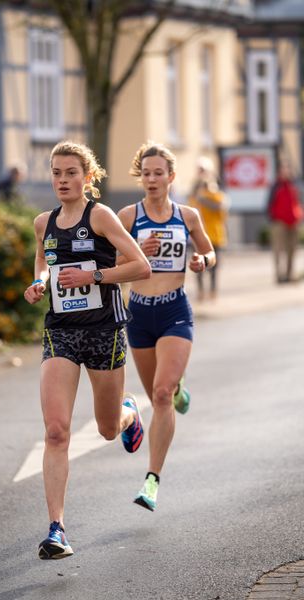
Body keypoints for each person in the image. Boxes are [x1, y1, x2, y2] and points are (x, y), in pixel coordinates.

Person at [24, 140, 151, 560]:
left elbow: (140, 266)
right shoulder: (44, 222)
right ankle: (57, 529)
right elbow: (43, 263)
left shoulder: (101, 216)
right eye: (56, 173)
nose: (62, 180)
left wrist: (93, 275)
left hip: (104, 330)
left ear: (87, 177)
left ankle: (128, 411)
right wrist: (40, 282)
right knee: (56, 431)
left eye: (71, 173)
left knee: (107, 429)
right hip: (60, 330)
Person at [117, 141, 216, 512]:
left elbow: (208, 249)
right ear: (140, 177)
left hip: (174, 309)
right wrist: (137, 255)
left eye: (159, 172)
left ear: (171, 177)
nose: (152, 179)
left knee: (159, 394)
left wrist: (203, 261)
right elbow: (110, 258)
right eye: (146, 173)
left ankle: (152, 480)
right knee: (157, 394)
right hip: (139, 315)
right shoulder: (128, 217)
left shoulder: (187, 216)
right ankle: (173, 392)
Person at [188, 156, 228, 301]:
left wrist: (204, 199)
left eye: (203, 170)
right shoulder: (194, 192)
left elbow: (221, 208)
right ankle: (201, 292)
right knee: (197, 265)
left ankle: (213, 291)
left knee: (213, 266)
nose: (201, 174)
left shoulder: (215, 193)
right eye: (199, 170)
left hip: (214, 234)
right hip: (197, 236)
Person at [266, 161, 303, 284]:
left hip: (293, 220)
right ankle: (279, 275)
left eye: (288, 169)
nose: (286, 172)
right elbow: (269, 203)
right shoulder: (275, 186)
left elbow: (298, 201)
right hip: (279, 221)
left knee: (292, 249)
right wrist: (273, 218)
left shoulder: (294, 185)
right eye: (284, 170)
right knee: (278, 249)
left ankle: (289, 274)